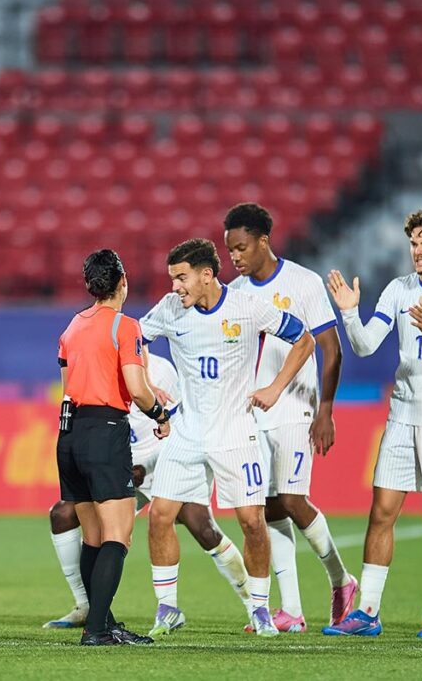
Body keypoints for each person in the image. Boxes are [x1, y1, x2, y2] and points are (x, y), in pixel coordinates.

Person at [323, 210, 422, 639]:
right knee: (381, 512)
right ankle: (368, 612)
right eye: (414, 243)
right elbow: (365, 345)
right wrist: (350, 314)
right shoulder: (398, 289)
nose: (418, 250)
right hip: (402, 414)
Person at [140, 238, 315, 637]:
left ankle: (260, 610)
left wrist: (275, 388)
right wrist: (149, 385)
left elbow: (303, 339)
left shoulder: (247, 307)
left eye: (181, 278)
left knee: (252, 522)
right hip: (186, 433)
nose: (175, 287)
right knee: (160, 515)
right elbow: (133, 342)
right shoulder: (169, 309)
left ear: (206, 275)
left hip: (236, 434)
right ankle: (167, 609)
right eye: (172, 279)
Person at [43, 353, 251, 629]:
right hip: (120, 464)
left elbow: (182, 427)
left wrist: (147, 465)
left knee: (202, 527)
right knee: (63, 515)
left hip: (164, 460)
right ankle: (86, 605)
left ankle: (254, 604)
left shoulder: (162, 372)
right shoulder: (101, 368)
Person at [224, 203, 357, 632]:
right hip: (255, 411)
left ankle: (341, 579)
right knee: (268, 505)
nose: (235, 257)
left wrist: (325, 410)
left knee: (293, 500)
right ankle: (293, 610)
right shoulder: (235, 292)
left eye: (241, 247)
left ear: (264, 240)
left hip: (296, 406)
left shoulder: (303, 282)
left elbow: (331, 349)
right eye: (230, 250)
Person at [56, 249, 170, 646]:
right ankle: (98, 630)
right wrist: (159, 414)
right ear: (123, 281)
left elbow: (69, 385)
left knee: (92, 537)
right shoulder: (125, 326)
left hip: (69, 433)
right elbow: (137, 390)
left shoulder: (73, 326)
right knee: (118, 536)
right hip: (104, 432)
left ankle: (102, 621)